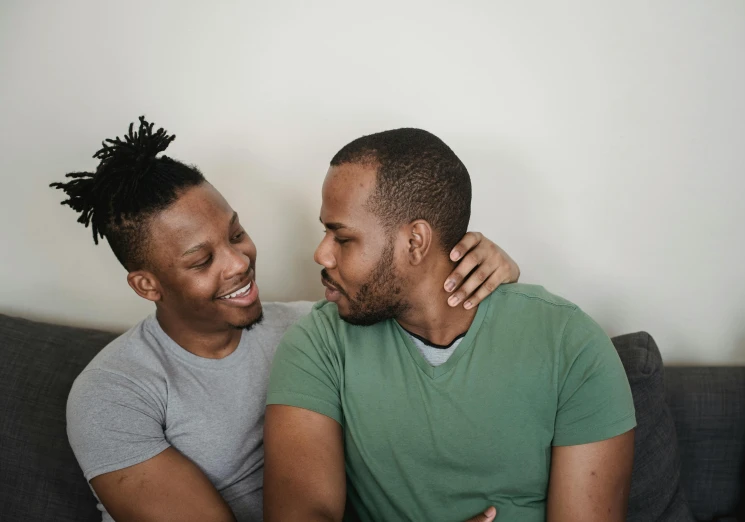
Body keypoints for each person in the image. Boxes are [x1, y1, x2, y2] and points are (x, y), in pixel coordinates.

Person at [51, 117, 521, 522]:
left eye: (237, 233)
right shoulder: (112, 394)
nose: (238, 262)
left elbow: (411, 305)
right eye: (201, 260)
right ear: (147, 285)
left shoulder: (312, 329)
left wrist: (476, 268)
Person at [264, 128, 637, 522]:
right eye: (325, 231)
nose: (321, 254)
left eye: (342, 238)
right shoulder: (318, 345)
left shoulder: (571, 345)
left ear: (415, 242)